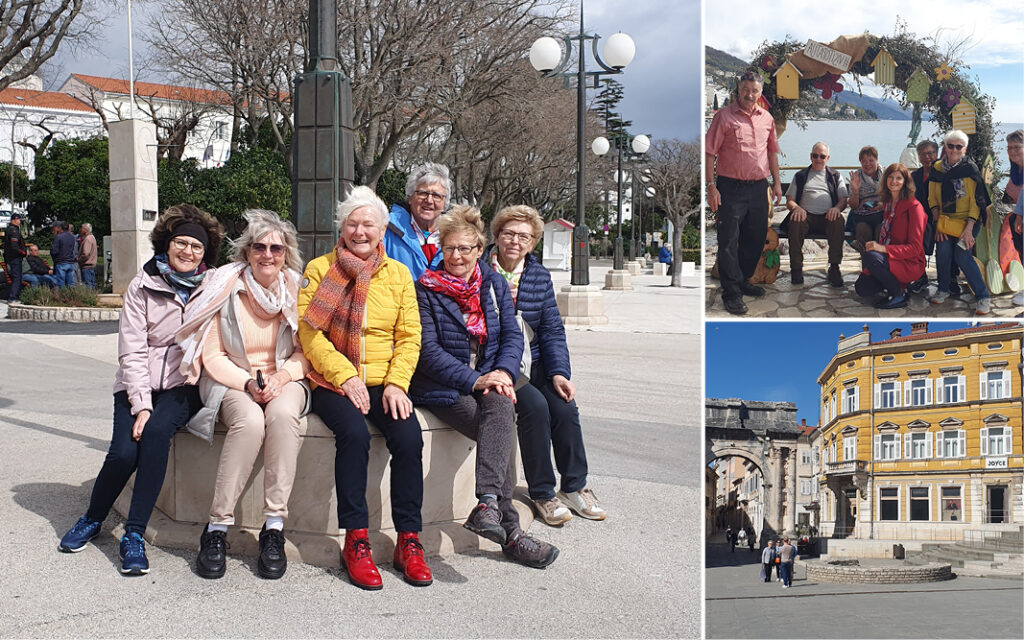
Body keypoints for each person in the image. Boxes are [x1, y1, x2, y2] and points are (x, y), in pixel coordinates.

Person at [57, 204, 223, 575]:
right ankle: (93, 517)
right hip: (138, 382)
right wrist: (141, 405)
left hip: (185, 382)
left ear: (205, 253)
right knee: (121, 452)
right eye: (181, 243)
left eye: (196, 247)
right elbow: (132, 350)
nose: (188, 252)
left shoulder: (214, 285)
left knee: (158, 434)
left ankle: (133, 533)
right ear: (166, 243)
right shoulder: (142, 285)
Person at [410, 204, 559, 569]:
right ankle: (510, 531)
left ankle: (489, 506)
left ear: (479, 250)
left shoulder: (492, 284)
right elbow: (428, 353)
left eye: (465, 248)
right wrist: (477, 379)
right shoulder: (425, 290)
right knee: (501, 425)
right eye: (449, 249)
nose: (457, 256)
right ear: (439, 250)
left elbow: (512, 337)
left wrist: (504, 374)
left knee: (502, 408)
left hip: (489, 382)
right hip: (443, 387)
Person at [298, 186, 430, 590]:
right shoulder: (321, 269)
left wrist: (396, 384)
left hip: (384, 382)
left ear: (382, 229)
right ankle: (355, 540)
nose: (359, 231)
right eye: (352, 223)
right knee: (353, 436)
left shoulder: (399, 274)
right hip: (334, 380)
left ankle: (409, 540)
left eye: (368, 224)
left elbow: (410, 335)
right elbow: (310, 334)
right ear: (342, 227)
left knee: (408, 440)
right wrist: (346, 377)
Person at [175, 209, 311, 581]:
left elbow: (307, 351)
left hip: (284, 378)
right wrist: (249, 384)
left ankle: (274, 528)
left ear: (287, 254)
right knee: (250, 422)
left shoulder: (297, 290)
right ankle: (217, 528)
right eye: (260, 247)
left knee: (283, 418)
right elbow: (212, 355)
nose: (268, 255)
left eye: (277, 249)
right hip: (233, 379)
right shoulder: (225, 287)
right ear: (248, 252)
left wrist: (281, 379)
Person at [485, 205, 604, 527]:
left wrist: (559, 373)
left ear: (533, 242)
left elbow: (551, 329)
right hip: (497, 364)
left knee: (565, 407)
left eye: (524, 236)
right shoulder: (480, 270)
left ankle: (574, 486)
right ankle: (542, 492)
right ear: (496, 236)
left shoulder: (538, 276)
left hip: (535, 361)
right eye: (508, 233)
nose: (515, 241)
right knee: (535, 408)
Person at [705, 71, 783, 316]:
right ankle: (732, 293)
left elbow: (771, 153)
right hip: (730, 187)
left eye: (755, 91)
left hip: (759, 187)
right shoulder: (724, 117)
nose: (750, 95)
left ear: (760, 93)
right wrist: (711, 186)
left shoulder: (767, 119)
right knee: (728, 241)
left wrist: (777, 184)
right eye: (746, 89)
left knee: (756, 236)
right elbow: (709, 152)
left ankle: (742, 280)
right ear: (739, 89)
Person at [928, 130, 991, 314]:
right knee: (943, 250)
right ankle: (943, 289)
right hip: (946, 220)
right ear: (945, 147)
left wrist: (969, 229)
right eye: (950, 146)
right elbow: (932, 199)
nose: (954, 150)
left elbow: (976, 202)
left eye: (959, 146)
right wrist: (939, 223)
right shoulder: (937, 169)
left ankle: (983, 296)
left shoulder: (970, 170)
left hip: (970, 221)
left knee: (962, 255)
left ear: (965, 149)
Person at [853, 163, 927, 309]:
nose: (894, 181)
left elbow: (915, 248)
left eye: (899, 178)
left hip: (909, 261)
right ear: (885, 180)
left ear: (905, 182)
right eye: (890, 177)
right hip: (892, 258)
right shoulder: (888, 204)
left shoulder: (914, 208)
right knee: (862, 288)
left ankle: (897, 295)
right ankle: (898, 286)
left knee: (872, 256)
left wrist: (882, 249)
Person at [783, 142, 849, 288]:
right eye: (815, 155)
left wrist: (837, 208)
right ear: (811, 156)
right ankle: (796, 268)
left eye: (822, 156)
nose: (818, 159)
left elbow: (843, 200)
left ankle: (834, 267)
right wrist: (796, 208)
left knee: (838, 221)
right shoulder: (800, 176)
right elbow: (789, 201)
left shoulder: (835, 176)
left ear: (828, 158)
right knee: (795, 221)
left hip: (827, 217)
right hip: (805, 217)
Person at [383, 163, 448, 280]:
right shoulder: (386, 229)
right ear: (410, 198)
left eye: (436, 195)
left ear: (444, 203)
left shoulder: (455, 236)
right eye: (423, 193)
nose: (429, 200)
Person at [909, 140, 943, 294]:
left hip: (942, 218)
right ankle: (920, 276)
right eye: (923, 154)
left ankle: (950, 279)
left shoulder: (944, 175)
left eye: (930, 153)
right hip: (920, 219)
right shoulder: (915, 176)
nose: (927, 157)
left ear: (937, 154)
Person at [847, 146, 884, 251]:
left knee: (881, 230)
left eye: (871, 160)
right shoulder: (856, 177)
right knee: (862, 230)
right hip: (863, 217)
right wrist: (855, 192)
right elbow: (853, 206)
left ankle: (882, 263)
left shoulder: (886, 175)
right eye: (864, 161)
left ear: (877, 160)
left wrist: (883, 204)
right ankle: (867, 262)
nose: (868, 164)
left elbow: (895, 197)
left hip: (882, 214)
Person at [3, 212, 27, 300]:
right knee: (17, 278)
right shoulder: (14, 231)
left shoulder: (9, 229)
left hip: (10, 257)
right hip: (15, 258)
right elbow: (14, 246)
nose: (19, 222)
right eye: (18, 220)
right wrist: (23, 253)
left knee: (16, 277)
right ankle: (13, 297)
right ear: (14, 220)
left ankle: (12, 295)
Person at [50, 221, 77, 287]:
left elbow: (54, 251)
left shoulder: (58, 237)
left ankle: (61, 296)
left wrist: (55, 259)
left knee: (61, 283)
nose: (53, 230)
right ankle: (71, 296)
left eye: (54, 228)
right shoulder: (72, 237)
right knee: (71, 283)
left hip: (61, 262)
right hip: (70, 262)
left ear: (59, 228)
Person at [78, 222, 98, 289]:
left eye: (82, 228)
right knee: (92, 284)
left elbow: (86, 253)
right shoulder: (92, 237)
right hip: (91, 265)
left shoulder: (87, 239)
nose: (80, 230)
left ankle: (89, 297)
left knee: (88, 284)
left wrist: (79, 259)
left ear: (85, 230)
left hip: (87, 265)